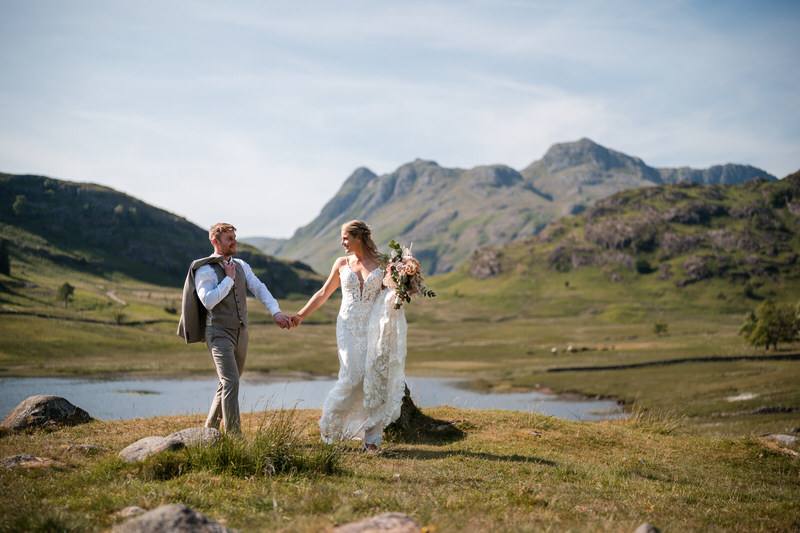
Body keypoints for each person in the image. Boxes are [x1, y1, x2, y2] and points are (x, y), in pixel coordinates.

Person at [290, 220, 407, 453]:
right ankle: (332, 428)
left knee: (374, 379)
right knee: (352, 376)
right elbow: (323, 293)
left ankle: (372, 440)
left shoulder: (385, 263)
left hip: (375, 327)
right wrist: (300, 315)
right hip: (347, 326)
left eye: (345, 238)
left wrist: (404, 285)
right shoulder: (341, 263)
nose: (342, 242)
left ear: (359, 237)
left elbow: (391, 295)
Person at [178, 222, 292, 435]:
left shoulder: (241, 265)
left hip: (241, 333)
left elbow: (258, 288)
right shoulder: (205, 269)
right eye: (229, 238)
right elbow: (208, 301)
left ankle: (208, 430)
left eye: (234, 237)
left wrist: (275, 311)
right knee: (230, 381)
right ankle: (234, 437)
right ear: (215, 241)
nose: (234, 241)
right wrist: (229, 279)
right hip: (218, 333)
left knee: (227, 382)